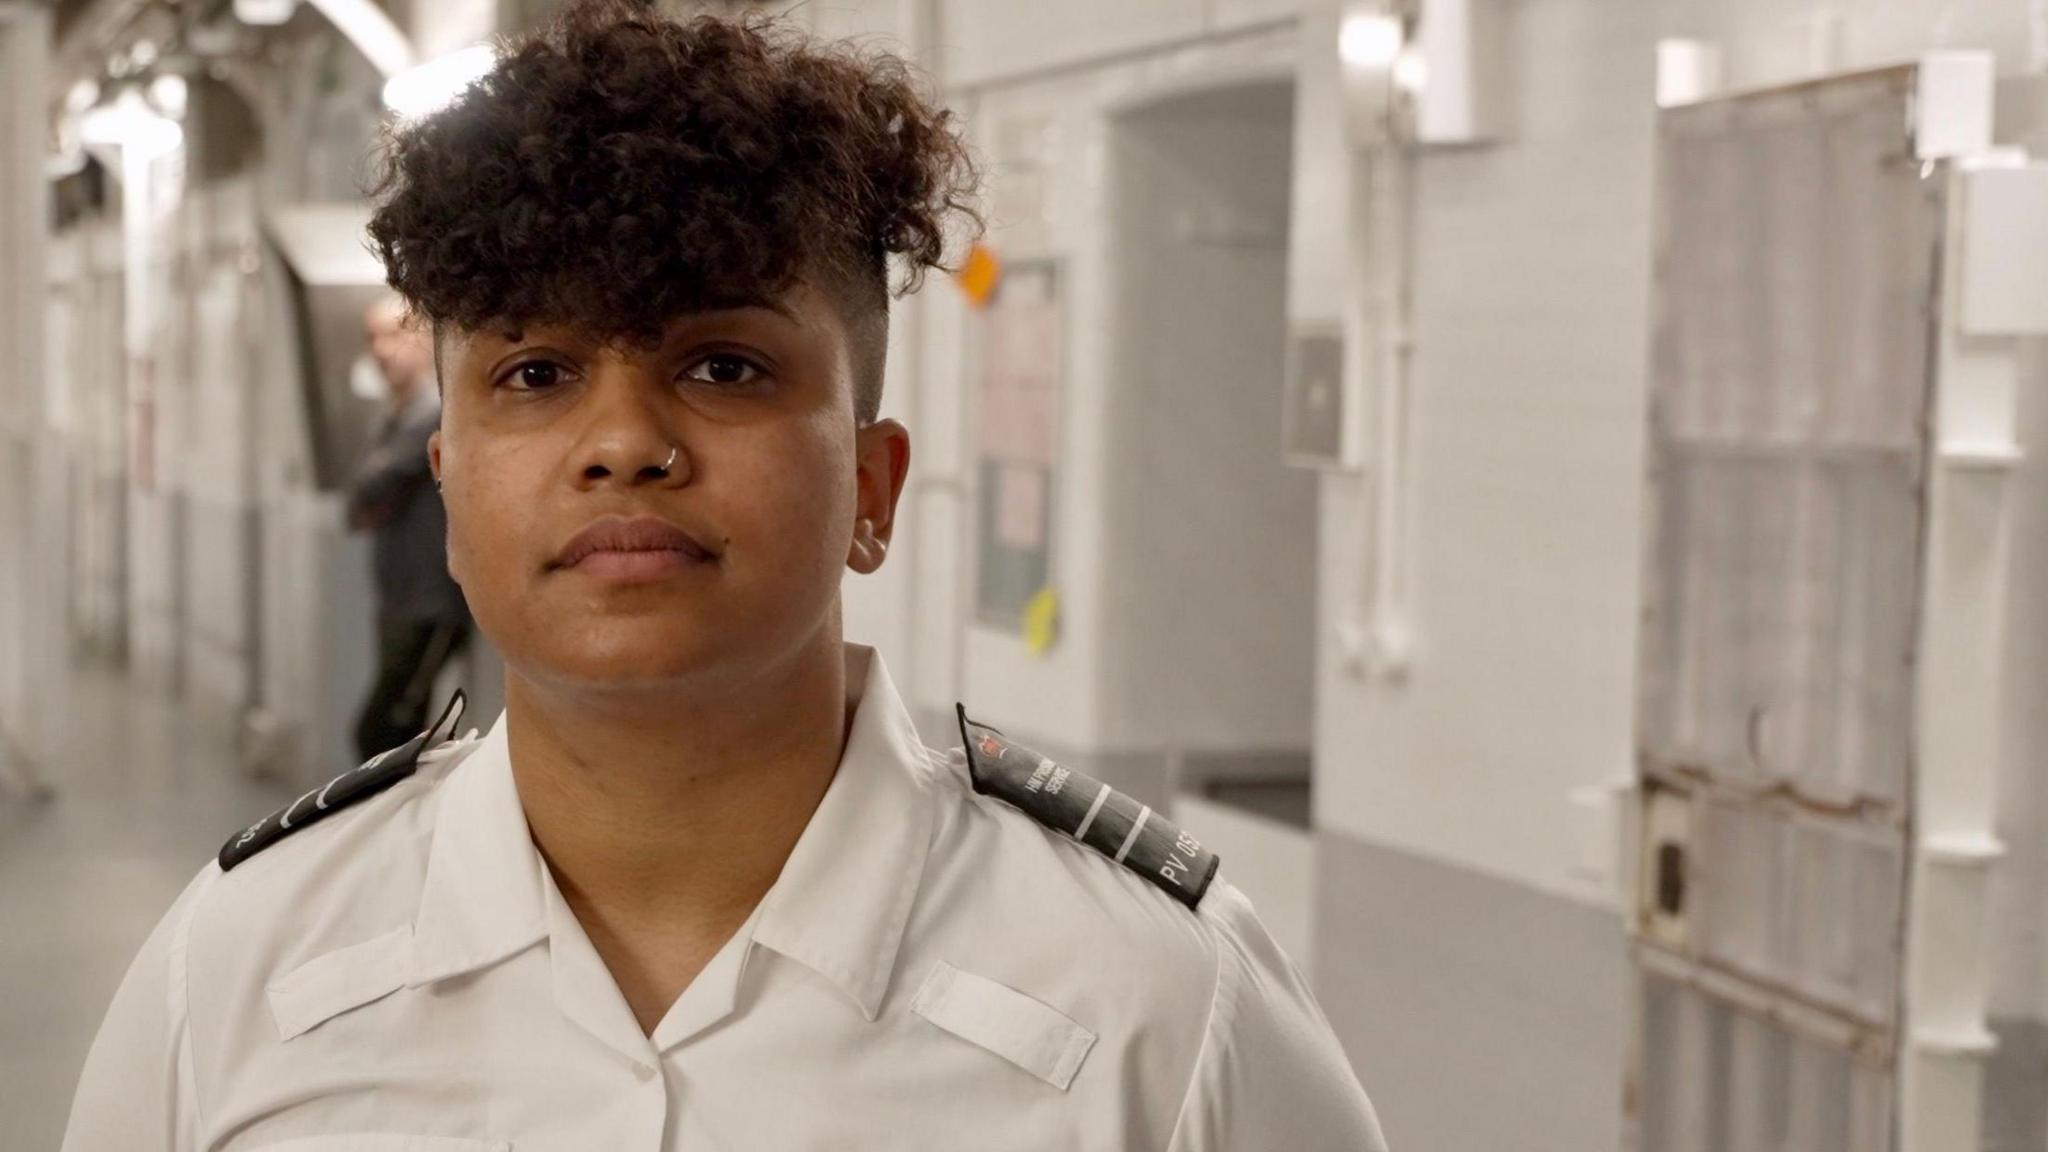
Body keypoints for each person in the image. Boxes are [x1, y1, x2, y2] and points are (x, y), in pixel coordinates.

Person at [61, 3, 1387, 1148]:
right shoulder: (240, 974)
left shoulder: (1159, 1007)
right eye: (538, 374)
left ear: (870, 488)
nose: (626, 443)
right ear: (450, 491)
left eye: (725, 367)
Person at [346, 296, 471, 760]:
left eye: (394, 334)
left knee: (382, 731)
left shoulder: (430, 415)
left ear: (422, 340)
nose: (381, 349)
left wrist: (372, 493)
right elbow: (358, 500)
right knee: (397, 731)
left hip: (431, 602)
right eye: (372, 337)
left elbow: (372, 487)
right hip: (398, 596)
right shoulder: (392, 417)